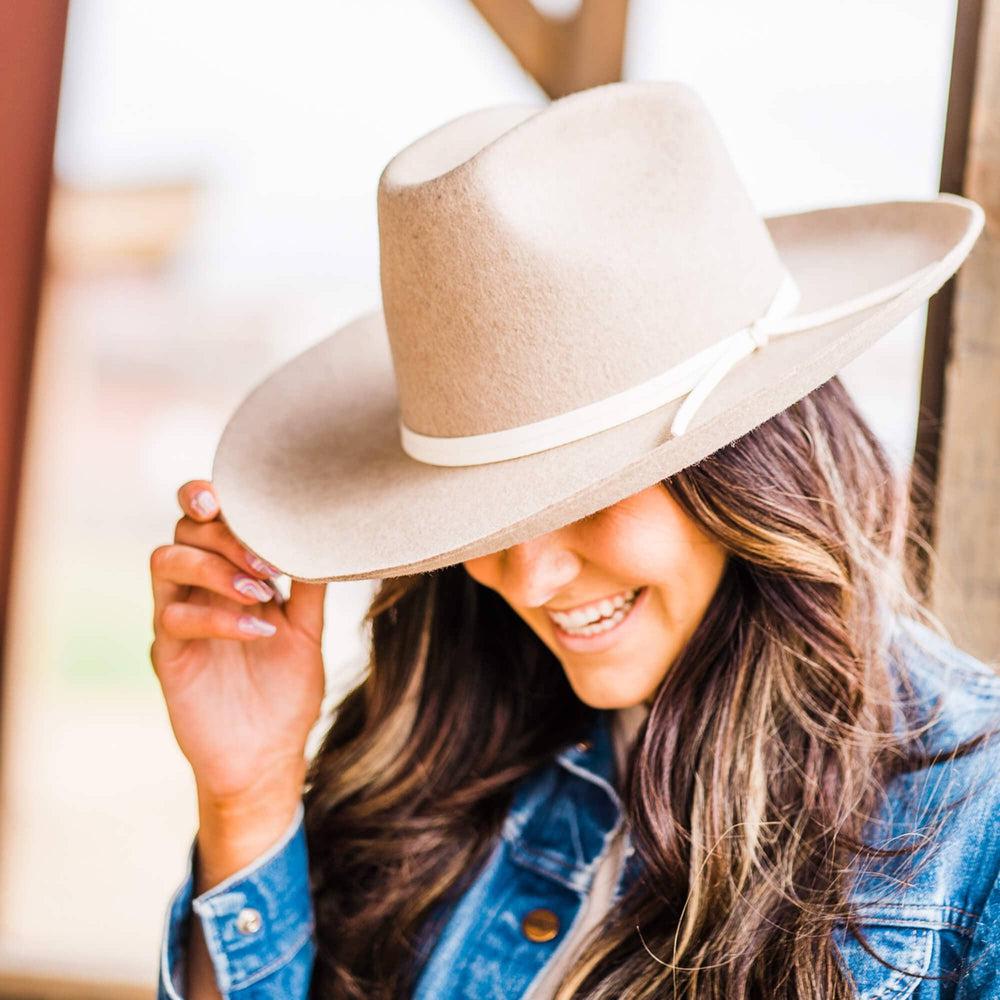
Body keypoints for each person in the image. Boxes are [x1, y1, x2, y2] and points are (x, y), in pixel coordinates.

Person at [149, 81, 1000, 999]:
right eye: (485, 515)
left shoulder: (974, 818)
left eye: (592, 495)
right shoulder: (447, 742)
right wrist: (249, 795)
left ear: (751, 472)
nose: (529, 575)